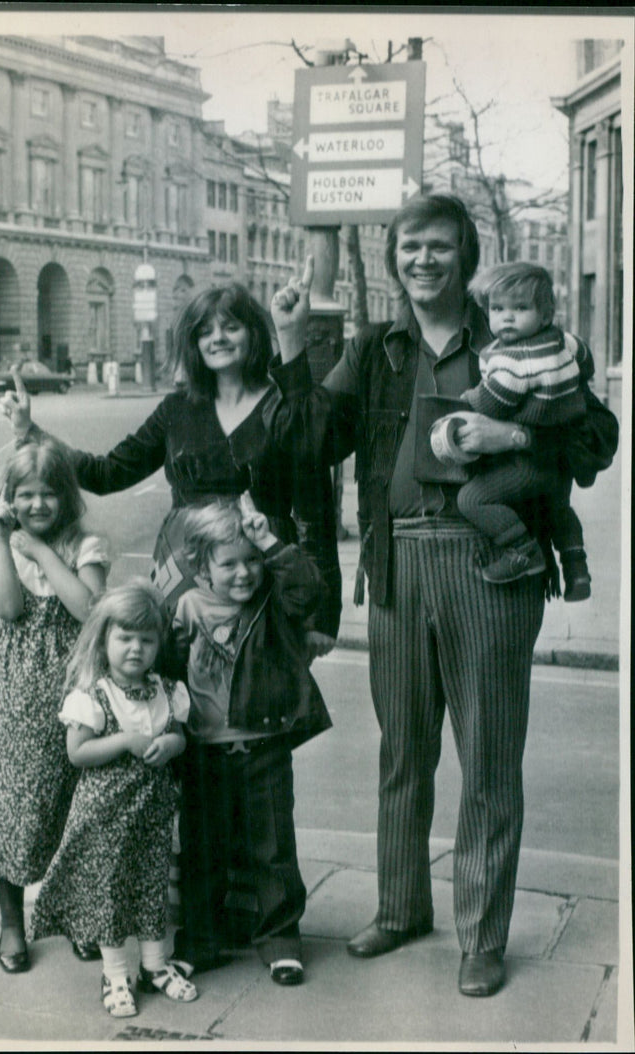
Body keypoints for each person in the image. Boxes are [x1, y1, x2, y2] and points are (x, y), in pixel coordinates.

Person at [267, 194, 615, 998]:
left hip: (491, 564)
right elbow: (309, 444)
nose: (423, 260)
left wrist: (516, 434)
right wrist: (292, 346)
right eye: (410, 248)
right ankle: (399, 909)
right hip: (396, 567)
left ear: (466, 255)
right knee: (402, 753)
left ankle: (482, 937)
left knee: (489, 759)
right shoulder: (377, 349)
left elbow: (598, 439)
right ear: (395, 260)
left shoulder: (518, 334)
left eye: (440, 248)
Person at [0, 282, 342, 656]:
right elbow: (107, 473)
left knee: (254, 693)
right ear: (193, 343)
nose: (218, 339)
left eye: (230, 327)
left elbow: (316, 512)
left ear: (253, 333)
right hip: (182, 574)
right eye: (205, 331)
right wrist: (30, 431)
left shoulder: (283, 408)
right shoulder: (177, 409)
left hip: (258, 575)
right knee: (179, 693)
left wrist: (322, 618)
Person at [0, 436, 109, 974]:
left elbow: (89, 608)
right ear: (9, 498)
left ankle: (75, 913)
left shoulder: (84, 547)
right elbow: (9, 607)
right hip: (12, 693)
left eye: (48, 495)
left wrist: (41, 549)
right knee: (10, 803)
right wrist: (4, 540)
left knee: (75, 799)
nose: (37, 505)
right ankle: (12, 922)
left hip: (73, 684)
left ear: (67, 497)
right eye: (25, 496)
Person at [169, 493, 332, 988]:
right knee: (202, 852)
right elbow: (169, 665)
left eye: (252, 561)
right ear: (204, 566)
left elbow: (310, 592)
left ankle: (281, 940)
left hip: (264, 746)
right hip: (205, 752)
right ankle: (200, 941)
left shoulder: (273, 599)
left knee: (273, 848)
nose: (244, 573)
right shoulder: (189, 606)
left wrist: (270, 542)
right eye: (230, 564)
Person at [28, 581, 197, 1019]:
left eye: (146, 639)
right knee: (110, 892)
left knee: (152, 886)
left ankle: (155, 966)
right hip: (106, 817)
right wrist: (125, 740)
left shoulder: (166, 690)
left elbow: (178, 734)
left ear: (159, 643)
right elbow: (77, 752)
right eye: (124, 638)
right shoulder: (94, 695)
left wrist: (172, 746)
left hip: (152, 815)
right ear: (105, 639)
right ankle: (115, 973)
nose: (136, 649)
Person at [448, 261, 592, 599]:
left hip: (528, 462)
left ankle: (523, 552)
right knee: (559, 508)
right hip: (559, 453)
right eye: (498, 308)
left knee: (471, 499)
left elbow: (492, 404)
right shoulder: (564, 341)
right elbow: (586, 362)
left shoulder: (515, 361)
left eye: (520, 308)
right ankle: (577, 568)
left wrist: (467, 397)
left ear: (545, 315)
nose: (507, 317)